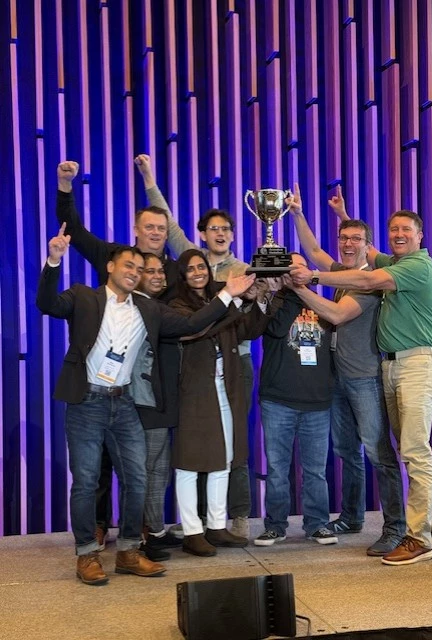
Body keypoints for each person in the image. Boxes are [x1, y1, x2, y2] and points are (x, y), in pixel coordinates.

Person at [37, 226, 255, 585]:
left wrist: (227, 294)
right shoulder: (83, 296)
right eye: (129, 265)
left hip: (124, 402)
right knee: (86, 481)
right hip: (87, 402)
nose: (134, 272)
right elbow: (47, 304)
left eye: (139, 269)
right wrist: (54, 260)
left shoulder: (149, 308)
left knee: (137, 480)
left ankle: (128, 551)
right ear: (111, 267)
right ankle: (87, 555)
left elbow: (192, 323)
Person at [290, 205, 432, 566]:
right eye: (394, 229)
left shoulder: (413, 267)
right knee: (411, 448)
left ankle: (415, 537)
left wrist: (307, 279)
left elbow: (360, 283)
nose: (399, 235)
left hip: (416, 364)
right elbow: (329, 250)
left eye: (406, 230)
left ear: (420, 235)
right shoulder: (391, 261)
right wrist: (321, 214)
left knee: (408, 451)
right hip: (391, 366)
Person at [56, 161, 178, 549]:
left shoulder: (173, 270)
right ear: (136, 230)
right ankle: (97, 526)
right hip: (104, 379)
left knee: (140, 467)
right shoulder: (114, 256)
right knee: (98, 464)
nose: (156, 233)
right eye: (149, 227)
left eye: (161, 229)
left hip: (150, 381)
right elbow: (74, 229)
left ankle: (139, 530)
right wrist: (65, 186)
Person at [135, 154, 253, 538]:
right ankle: (196, 524)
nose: (220, 233)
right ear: (202, 235)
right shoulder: (193, 261)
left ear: (232, 235)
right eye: (213, 228)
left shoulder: (243, 270)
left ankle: (235, 517)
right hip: (196, 366)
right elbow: (167, 223)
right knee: (196, 446)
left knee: (233, 443)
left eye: (226, 229)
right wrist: (149, 178)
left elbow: (253, 317)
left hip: (236, 363)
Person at [285, 184, 405, 556]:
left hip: (365, 379)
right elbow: (314, 252)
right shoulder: (341, 273)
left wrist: (299, 285)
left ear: (368, 246)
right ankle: (352, 517)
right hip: (337, 378)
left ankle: (396, 528)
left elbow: (336, 314)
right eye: (343, 238)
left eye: (355, 239)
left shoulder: (370, 282)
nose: (347, 244)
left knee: (379, 455)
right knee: (347, 451)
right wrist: (298, 214)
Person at [168, 249, 268, 557]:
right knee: (189, 463)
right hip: (194, 392)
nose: (198, 272)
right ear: (182, 275)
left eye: (201, 267)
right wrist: (230, 298)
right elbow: (197, 325)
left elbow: (248, 330)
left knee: (224, 459)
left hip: (226, 388)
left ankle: (215, 525)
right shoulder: (176, 305)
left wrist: (258, 298)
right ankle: (192, 530)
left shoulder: (218, 299)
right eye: (191, 269)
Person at [254, 253, 337, 547]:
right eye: (290, 269)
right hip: (278, 401)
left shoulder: (321, 303)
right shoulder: (275, 303)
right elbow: (275, 329)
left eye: (300, 268)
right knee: (278, 470)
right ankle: (275, 526)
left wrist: (303, 290)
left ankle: (317, 524)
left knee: (315, 471)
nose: (295, 273)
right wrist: (287, 291)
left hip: (317, 402)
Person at [130, 253, 181, 561]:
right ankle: (136, 538)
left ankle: (156, 530)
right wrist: (228, 298)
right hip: (145, 399)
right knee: (144, 471)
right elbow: (191, 326)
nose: (158, 276)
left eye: (161, 271)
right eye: (150, 271)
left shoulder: (156, 306)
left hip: (162, 399)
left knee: (159, 470)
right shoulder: (138, 306)